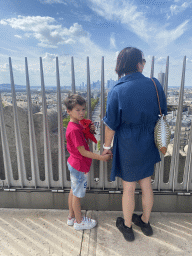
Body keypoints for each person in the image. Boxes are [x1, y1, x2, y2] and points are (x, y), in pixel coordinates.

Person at [102, 47, 167, 241]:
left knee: (129, 187)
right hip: (149, 140)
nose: (144, 64)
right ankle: (145, 222)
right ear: (138, 63)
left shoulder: (117, 89)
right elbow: (162, 110)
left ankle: (128, 226)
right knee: (146, 183)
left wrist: (106, 147)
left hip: (128, 142)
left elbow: (111, 124)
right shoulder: (155, 84)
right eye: (143, 61)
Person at [64, 94, 111, 230]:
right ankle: (79, 222)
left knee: (73, 191)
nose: (81, 112)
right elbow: (83, 152)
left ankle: (71, 217)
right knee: (77, 195)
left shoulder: (75, 126)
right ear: (68, 111)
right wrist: (102, 158)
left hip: (74, 163)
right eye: (77, 110)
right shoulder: (74, 130)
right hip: (79, 165)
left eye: (83, 109)